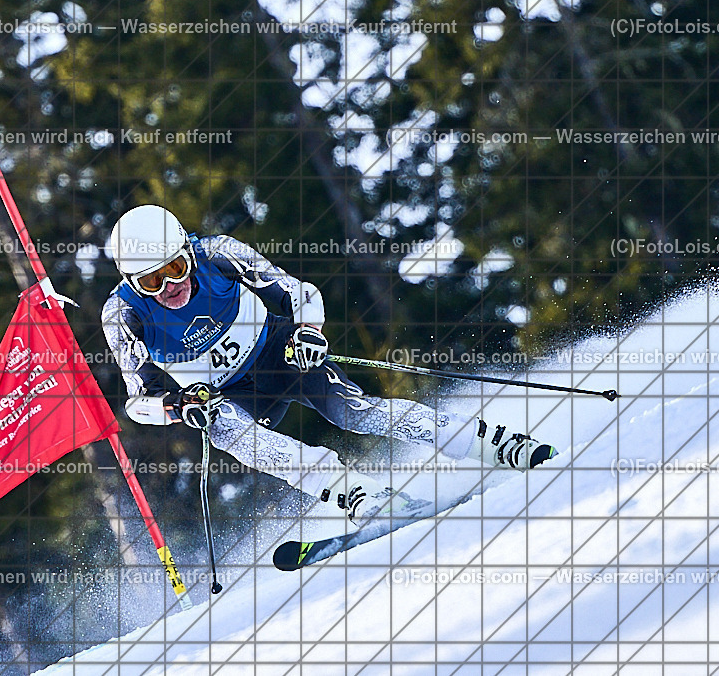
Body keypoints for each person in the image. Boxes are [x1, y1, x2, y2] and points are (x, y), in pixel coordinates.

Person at [101, 205, 557, 525]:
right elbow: (137, 402)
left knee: (351, 412)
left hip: (278, 350)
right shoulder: (122, 315)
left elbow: (299, 293)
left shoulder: (217, 253)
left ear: (187, 249)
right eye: (150, 280)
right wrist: (177, 406)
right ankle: (354, 491)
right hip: (228, 394)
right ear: (130, 281)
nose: (167, 287)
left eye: (176, 269)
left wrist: (307, 332)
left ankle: (490, 443)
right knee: (224, 430)